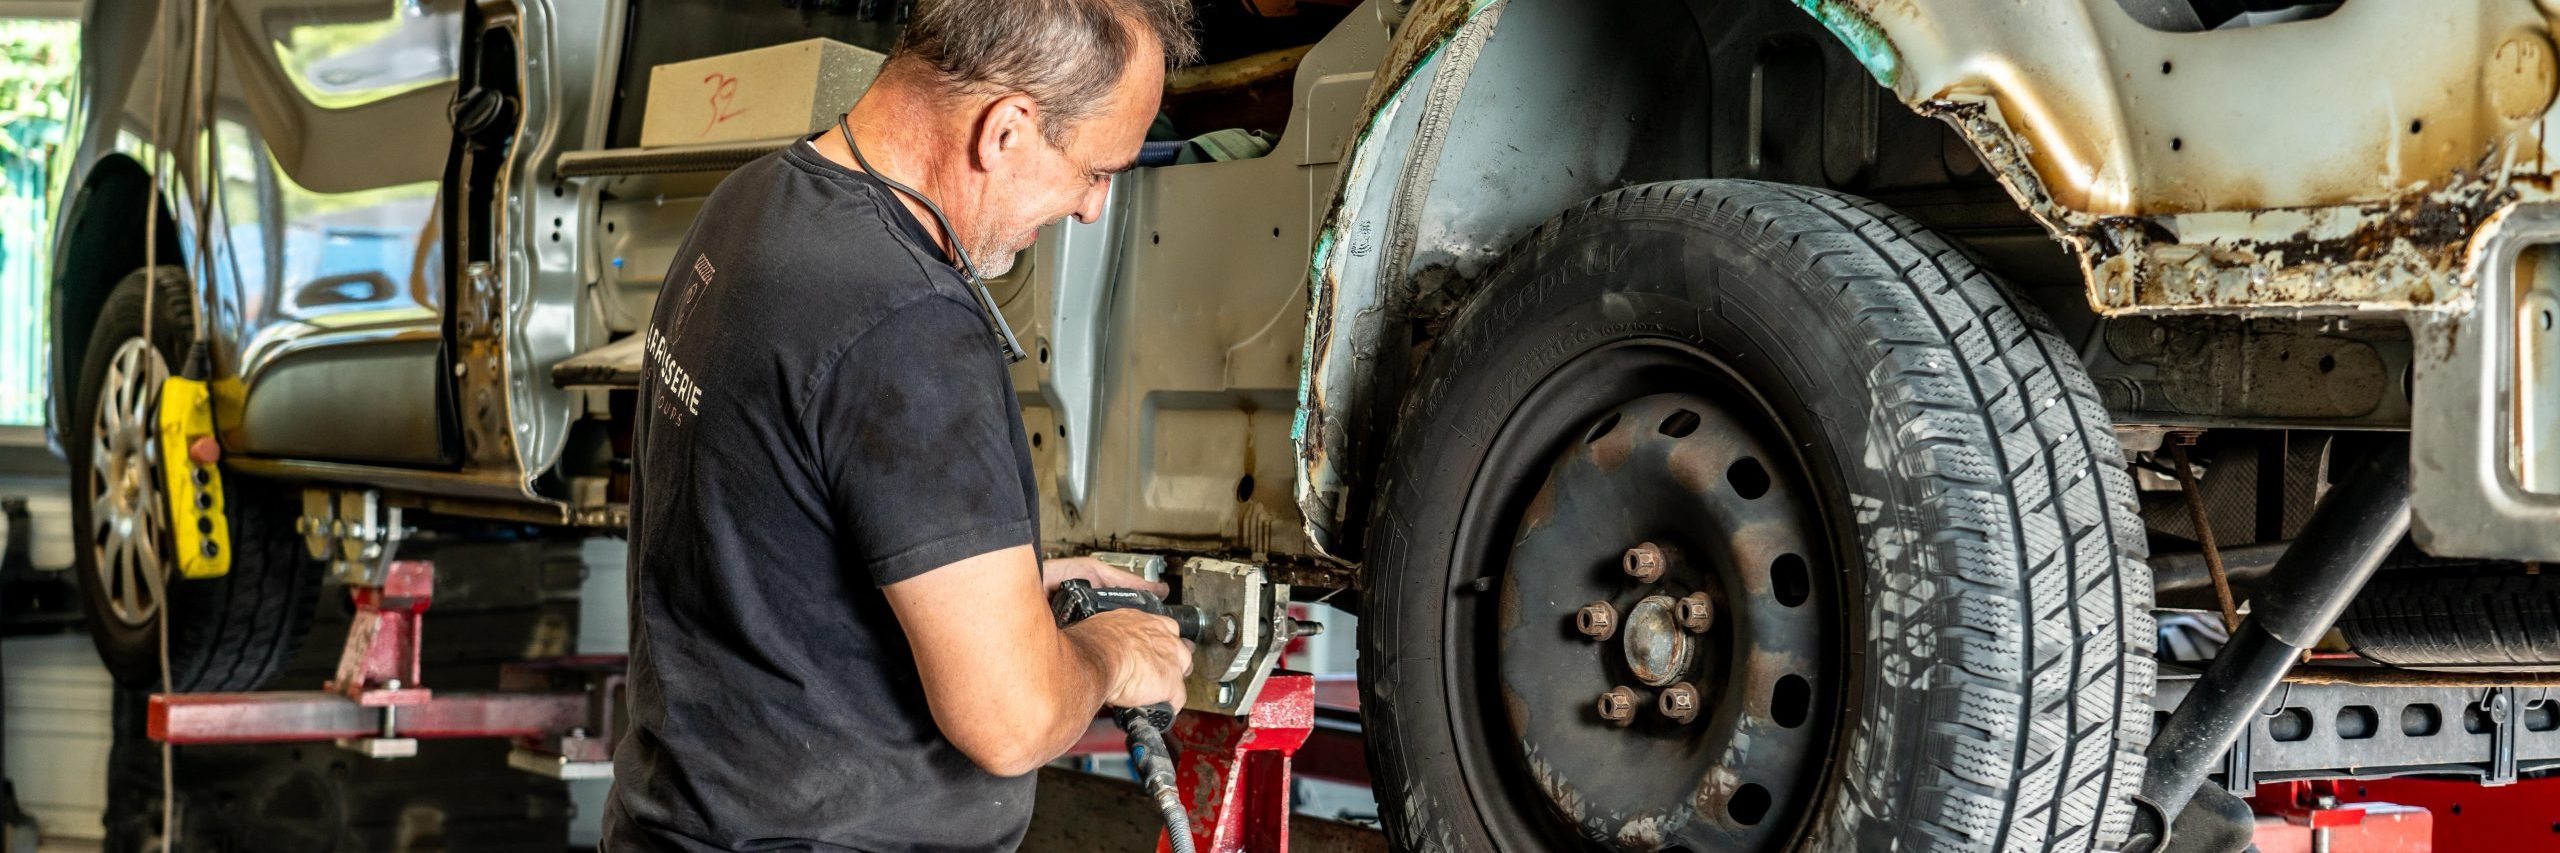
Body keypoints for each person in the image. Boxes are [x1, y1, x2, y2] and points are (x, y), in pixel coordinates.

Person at [604, 1, 1200, 849]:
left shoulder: (754, 205)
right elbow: (1013, 716)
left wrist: (999, 587)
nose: (1091, 208)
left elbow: (770, 544)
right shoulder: (906, 320)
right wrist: (1109, 654)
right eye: (1097, 171)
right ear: (1008, 131)